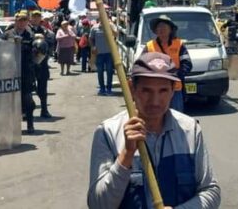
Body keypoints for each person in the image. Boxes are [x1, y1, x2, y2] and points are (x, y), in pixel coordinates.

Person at [88, 52, 220, 208]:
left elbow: (211, 192)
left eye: (163, 90)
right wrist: (126, 155)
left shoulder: (190, 130)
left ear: (173, 90)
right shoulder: (107, 133)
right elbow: (98, 205)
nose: (155, 101)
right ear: (132, 88)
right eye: (146, 91)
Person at [145, 15, 192, 112]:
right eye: (158, 27)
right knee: (157, 117)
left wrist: (175, 75)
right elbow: (141, 65)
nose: (161, 29)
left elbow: (187, 64)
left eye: (164, 27)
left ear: (170, 29)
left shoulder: (179, 44)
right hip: (155, 90)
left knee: (177, 117)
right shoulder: (149, 46)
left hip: (175, 89)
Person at [4, 11, 37, 134]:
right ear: (15, 21)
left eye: (24, 20)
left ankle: (30, 124)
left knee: (28, 99)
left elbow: (35, 53)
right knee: (10, 100)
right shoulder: (8, 34)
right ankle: (11, 126)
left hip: (26, 71)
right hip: (10, 71)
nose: (22, 23)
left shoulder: (30, 35)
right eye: (19, 20)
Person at [90, 20, 116, 96]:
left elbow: (116, 35)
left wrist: (110, 28)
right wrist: (93, 47)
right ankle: (102, 88)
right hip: (99, 53)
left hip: (109, 53)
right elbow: (91, 38)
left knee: (109, 71)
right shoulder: (94, 28)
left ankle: (109, 88)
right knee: (100, 71)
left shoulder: (111, 25)